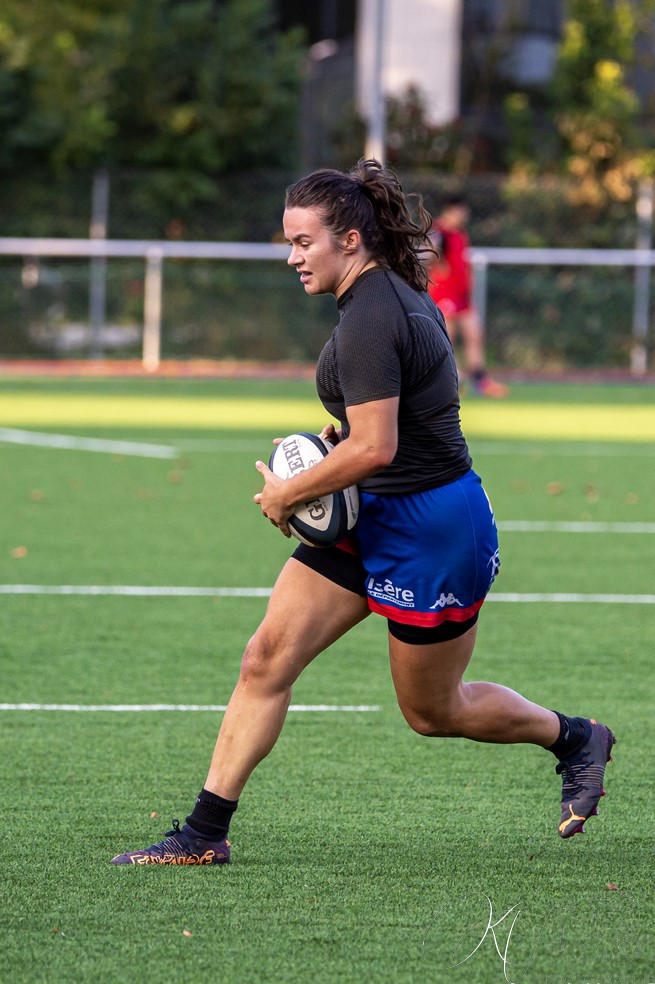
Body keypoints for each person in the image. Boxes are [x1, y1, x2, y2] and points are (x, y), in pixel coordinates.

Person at [111, 160, 615, 865]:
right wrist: (328, 447)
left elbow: (378, 446)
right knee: (265, 659)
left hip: (432, 528)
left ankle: (573, 737)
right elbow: (382, 428)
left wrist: (289, 492)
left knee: (433, 712)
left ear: (349, 240)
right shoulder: (378, 299)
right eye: (288, 243)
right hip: (368, 511)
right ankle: (203, 833)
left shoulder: (375, 315)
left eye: (302, 243)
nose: (291, 258)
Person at [427, 192, 508, 398]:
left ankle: (479, 380)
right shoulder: (440, 232)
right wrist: (435, 259)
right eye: (460, 211)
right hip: (444, 295)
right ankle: (447, 381)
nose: (464, 215)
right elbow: (429, 252)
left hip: (461, 297)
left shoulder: (460, 233)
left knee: (474, 333)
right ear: (450, 211)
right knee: (447, 340)